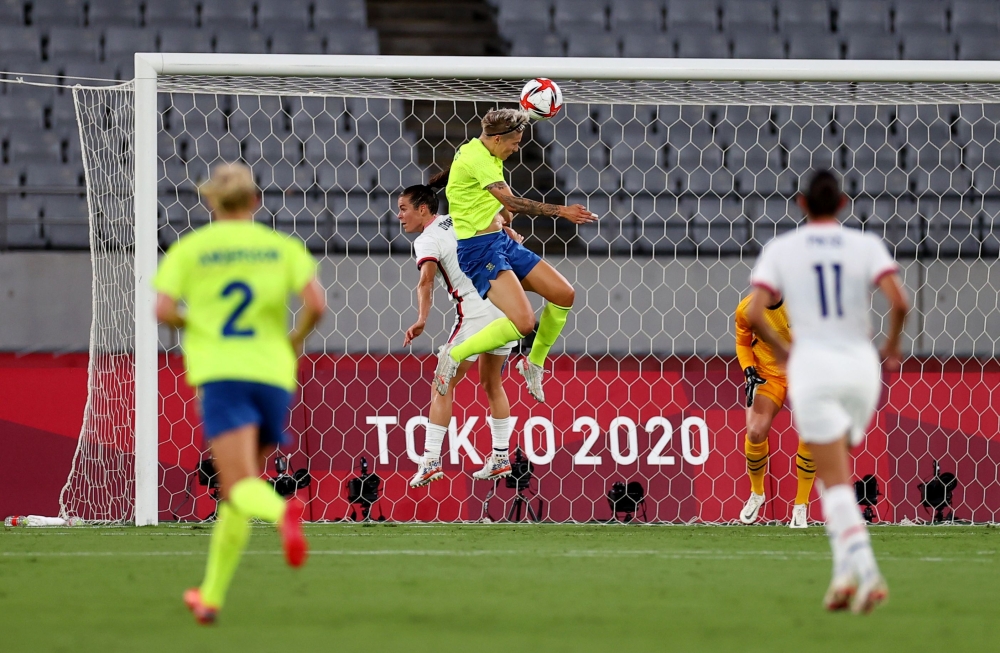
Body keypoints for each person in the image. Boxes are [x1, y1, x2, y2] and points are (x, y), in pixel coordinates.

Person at [154, 162, 326, 624]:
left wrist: (196, 326)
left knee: (240, 485)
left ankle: (282, 512)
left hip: (223, 373)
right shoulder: (280, 247)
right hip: (273, 374)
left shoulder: (192, 249)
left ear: (211, 202)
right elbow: (316, 305)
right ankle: (209, 597)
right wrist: (293, 341)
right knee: (235, 493)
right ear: (255, 201)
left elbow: (164, 309)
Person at [747, 170, 908, 614]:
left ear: (801, 204)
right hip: (860, 367)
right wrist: (892, 345)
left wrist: (783, 352)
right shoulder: (866, 245)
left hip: (815, 365)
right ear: (842, 204)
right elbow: (900, 302)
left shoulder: (783, 249)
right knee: (833, 472)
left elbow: (755, 312)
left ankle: (869, 574)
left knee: (833, 482)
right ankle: (842, 576)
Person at [430, 108, 597, 403]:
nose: (516, 148)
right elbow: (511, 202)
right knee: (523, 323)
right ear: (496, 140)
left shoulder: (486, 152)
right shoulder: (477, 158)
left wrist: (501, 218)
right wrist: (563, 211)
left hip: (499, 242)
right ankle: (453, 354)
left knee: (563, 294)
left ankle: (533, 363)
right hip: (479, 251)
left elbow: (501, 202)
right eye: (514, 143)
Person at [398, 184, 518, 486]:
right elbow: (500, 226)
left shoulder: (427, 239)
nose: (399, 216)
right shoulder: (460, 218)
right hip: (505, 307)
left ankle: (430, 461)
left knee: (442, 383)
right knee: (493, 383)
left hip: (474, 314)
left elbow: (425, 282)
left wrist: (422, 318)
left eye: (403, 209)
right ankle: (501, 457)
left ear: (422, 209)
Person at [734, 293, 816, 528]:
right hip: (768, 375)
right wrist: (748, 369)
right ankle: (757, 493)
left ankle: (801, 505)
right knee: (756, 432)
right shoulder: (747, 309)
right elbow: (742, 342)